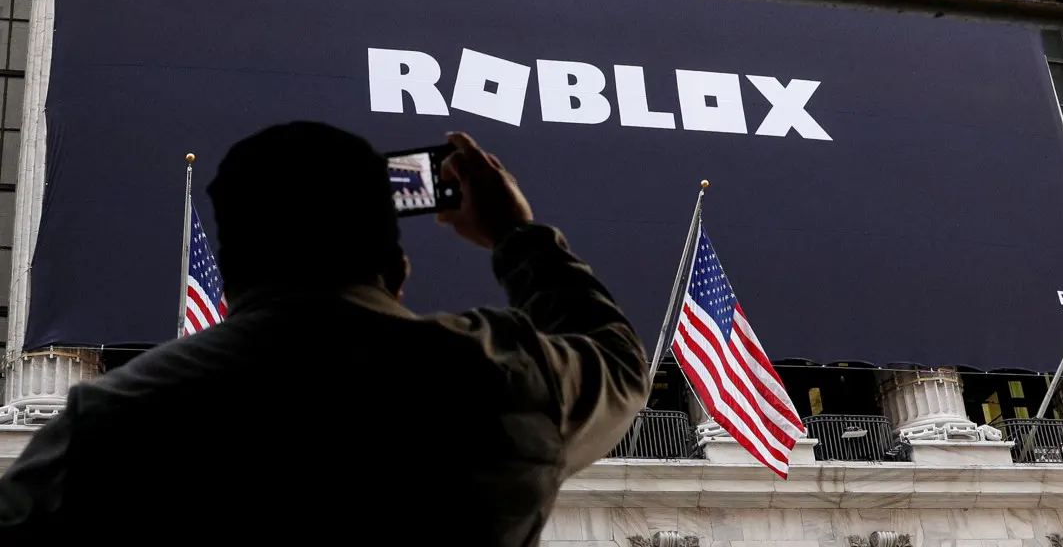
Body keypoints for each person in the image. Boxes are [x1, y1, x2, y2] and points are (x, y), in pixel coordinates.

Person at [0, 124, 650, 541]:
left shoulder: (106, 424)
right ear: (398, 265)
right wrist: (515, 234)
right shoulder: (499, 380)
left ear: (231, 275)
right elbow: (619, 363)